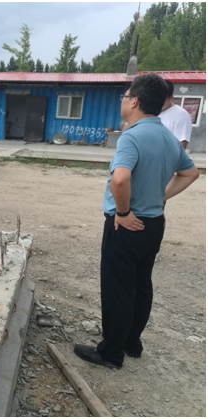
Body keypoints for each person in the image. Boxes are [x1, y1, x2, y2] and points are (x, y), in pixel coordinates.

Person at [74, 74, 199, 369]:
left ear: (135, 101)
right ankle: (132, 343)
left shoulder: (132, 135)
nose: (123, 100)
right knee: (141, 285)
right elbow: (191, 173)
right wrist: (160, 196)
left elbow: (120, 179)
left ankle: (110, 353)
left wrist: (123, 213)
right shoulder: (168, 136)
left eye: (126, 95)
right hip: (153, 224)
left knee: (118, 288)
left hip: (127, 225)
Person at [159, 80, 192, 150]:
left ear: (171, 98)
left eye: (162, 99)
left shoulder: (181, 115)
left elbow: (181, 147)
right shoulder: (147, 110)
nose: (157, 102)